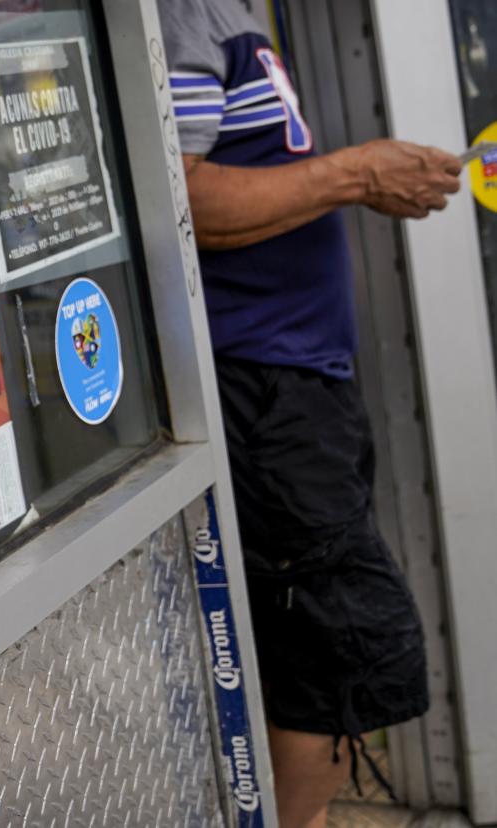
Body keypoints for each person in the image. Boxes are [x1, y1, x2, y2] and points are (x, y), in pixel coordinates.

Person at [155, 1, 463, 826]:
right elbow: (180, 199)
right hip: (262, 392)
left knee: (307, 651)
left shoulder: (232, 14)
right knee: (327, 648)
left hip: (297, 386)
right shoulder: (187, 14)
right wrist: (356, 173)